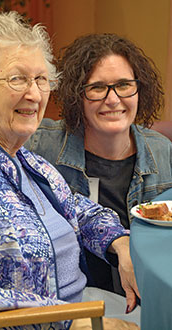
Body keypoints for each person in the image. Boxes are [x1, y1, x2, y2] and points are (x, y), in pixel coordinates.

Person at [0, 14, 140, 330]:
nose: (35, 95)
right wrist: (79, 323)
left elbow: (77, 209)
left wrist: (119, 242)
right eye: (17, 79)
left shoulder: (23, 157)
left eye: (41, 79)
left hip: (79, 305)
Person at [25, 33, 172, 298]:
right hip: (73, 302)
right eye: (97, 88)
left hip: (148, 296)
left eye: (124, 85)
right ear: (76, 96)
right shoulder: (39, 146)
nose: (113, 99)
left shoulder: (162, 152)